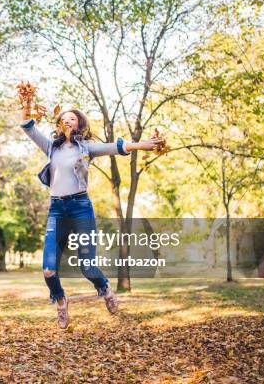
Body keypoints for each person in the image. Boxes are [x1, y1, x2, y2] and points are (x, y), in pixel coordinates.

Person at [19, 108, 163, 329]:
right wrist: (26, 103)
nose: (67, 121)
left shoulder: (86, 148)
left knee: (87, 266)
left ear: (79, 124)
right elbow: (28, 126)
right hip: (56, 210)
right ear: (58, 125)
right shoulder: (50, 147)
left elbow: (115, 147)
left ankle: (104, 287)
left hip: (81, 208)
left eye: (72, 118)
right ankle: (60, 301)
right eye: (63, 119)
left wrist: (142, 145)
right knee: (48, 270)